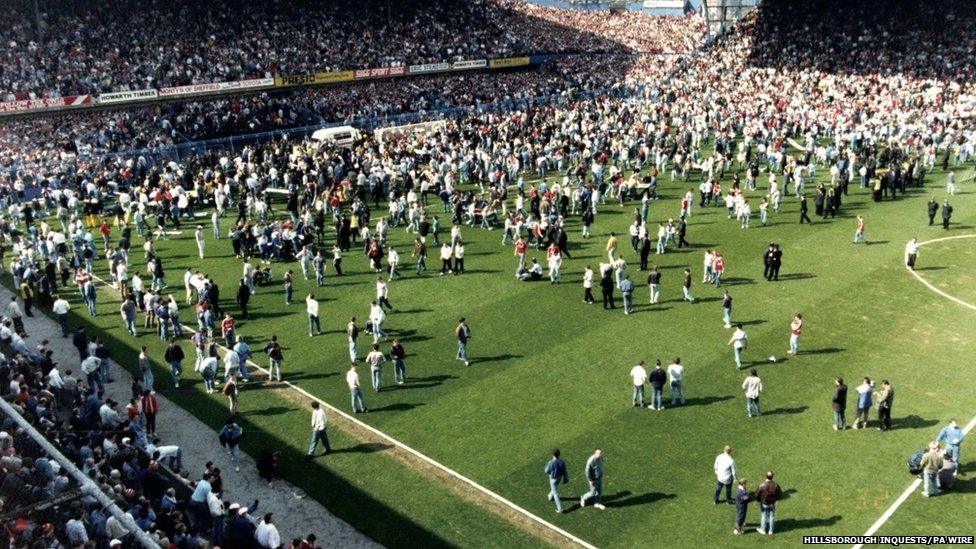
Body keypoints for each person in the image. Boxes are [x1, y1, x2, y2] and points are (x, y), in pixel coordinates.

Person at [754, 471, 782, 535]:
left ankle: (763, 530)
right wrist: (775, 500)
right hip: (772, 503)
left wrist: (758, 500)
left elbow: (756, 495)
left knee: (763, 516)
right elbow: (779, 494)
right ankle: (771, 531)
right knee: (771, 516)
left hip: (764, 503)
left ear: (766, 476)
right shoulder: (776, 485)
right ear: (772, 477)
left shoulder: (762, 485)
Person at [544, 449, 570, 513]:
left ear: (553, 455)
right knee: (554, 488)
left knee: (555, 493)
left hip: (553, 479)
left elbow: (546, 471)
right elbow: (565, 471)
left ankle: (560, 508)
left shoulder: (551, 463)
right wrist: (565, 478)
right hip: (559, 478)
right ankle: (550, 496)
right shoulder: (562, 462)